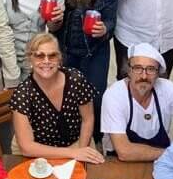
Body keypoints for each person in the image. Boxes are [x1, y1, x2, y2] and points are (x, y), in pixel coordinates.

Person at [51, 0, 118, 140]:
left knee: (95, 99)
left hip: (94, 52)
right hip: (63, 50)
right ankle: (66, 141)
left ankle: (94, 142)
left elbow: (111, 20)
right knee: (63, 98)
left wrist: (104, 29)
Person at [100, 43, 173, 161]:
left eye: (151, 69)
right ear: (128, 71)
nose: (144, 76)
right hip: (120, 163)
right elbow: (124, 152)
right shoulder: (114, 95)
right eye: (138, 68)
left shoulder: (167, 89)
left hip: (163, 162)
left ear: (158, 74)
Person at [9, 33, 104, 163]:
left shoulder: (76, 80)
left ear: (59, 58)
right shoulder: (22, 94)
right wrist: (72, 154)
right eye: (39, 55)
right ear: (30, 59)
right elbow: (27, 147)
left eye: (52, 55)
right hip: (38, 151)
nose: (46, 61)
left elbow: (88, 119)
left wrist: (80, 152)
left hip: (77, 142)